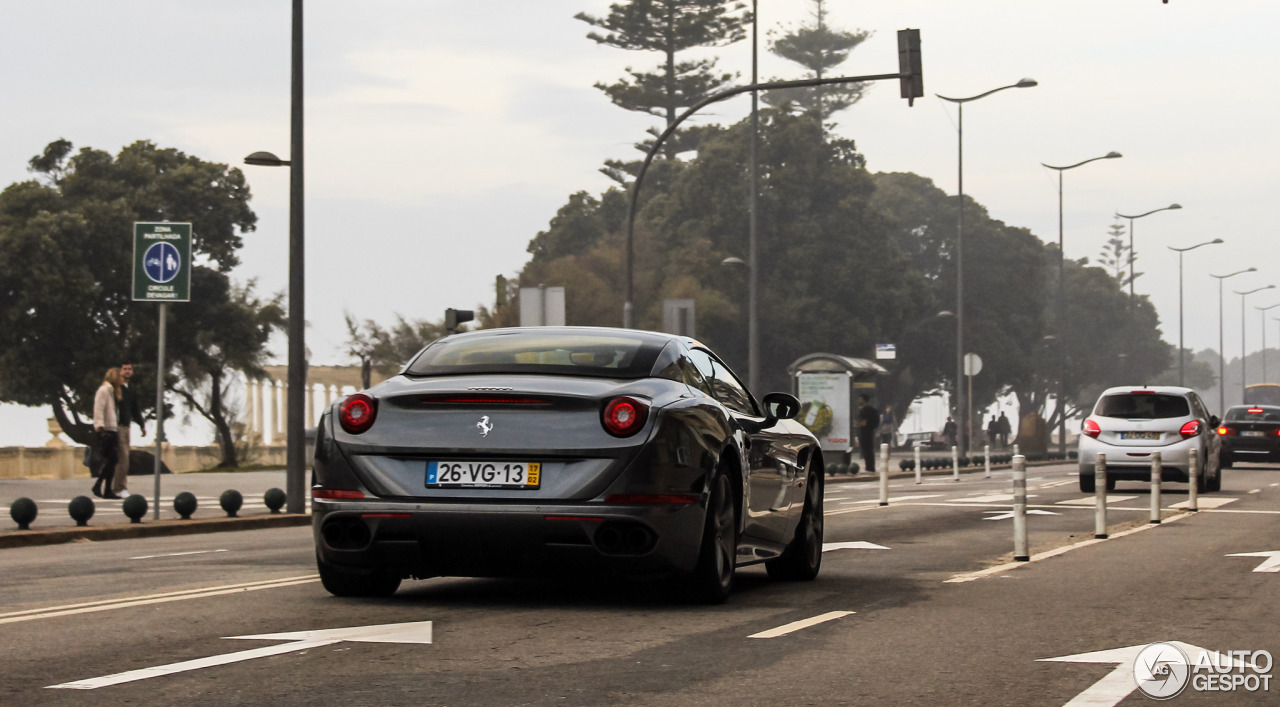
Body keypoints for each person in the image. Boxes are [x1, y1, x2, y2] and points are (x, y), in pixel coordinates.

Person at [113, 362, 147, 496]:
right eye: (124, 369)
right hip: (118, 427)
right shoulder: (116, 389)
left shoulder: (130, 389)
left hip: (127, 427)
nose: (127, 371)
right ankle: (119, 488)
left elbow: (135, 409)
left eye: (129, 369)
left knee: (122, 459)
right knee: (123, 459)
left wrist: (142, 425)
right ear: (120, 371)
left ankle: (118, 487)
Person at [92, 368, 122, 499]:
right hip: (106, 430)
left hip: (113, 429)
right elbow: (98, 408)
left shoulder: (111, 392)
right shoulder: (104, 390)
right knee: (112, 459)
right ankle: (99, 485)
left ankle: (106, 488)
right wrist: (99, 426)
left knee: (113, 460)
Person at [856, 394, 880, 473]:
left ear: (864, 400)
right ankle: (869, 467)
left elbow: (863, 422)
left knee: (867, 450)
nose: (859, 401)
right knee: (868, 450)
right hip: (868, 432)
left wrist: (859, 423)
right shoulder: (870, 409)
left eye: (860, 399)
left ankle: (869, 468)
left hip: (866, 432)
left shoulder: (866, 410)